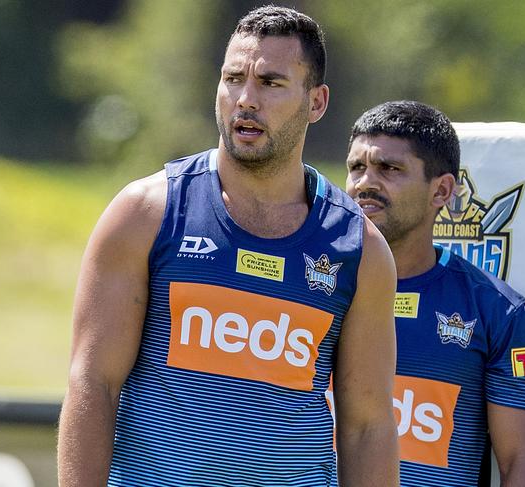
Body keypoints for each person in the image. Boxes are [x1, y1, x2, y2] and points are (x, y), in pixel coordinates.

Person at [57, 6, 399, 486]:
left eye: (270, 83)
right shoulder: (145, 213)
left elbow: (368, 427)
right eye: (233, 78)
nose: (245, 99)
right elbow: (92, 382)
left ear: (316, 102)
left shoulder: (359, 247)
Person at [345, 100, 525, 487]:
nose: (365, 183)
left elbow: (524, 463)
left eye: (389, 168)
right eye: (357, 167)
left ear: (442, 191)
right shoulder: (316, 282)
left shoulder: (498, 311)